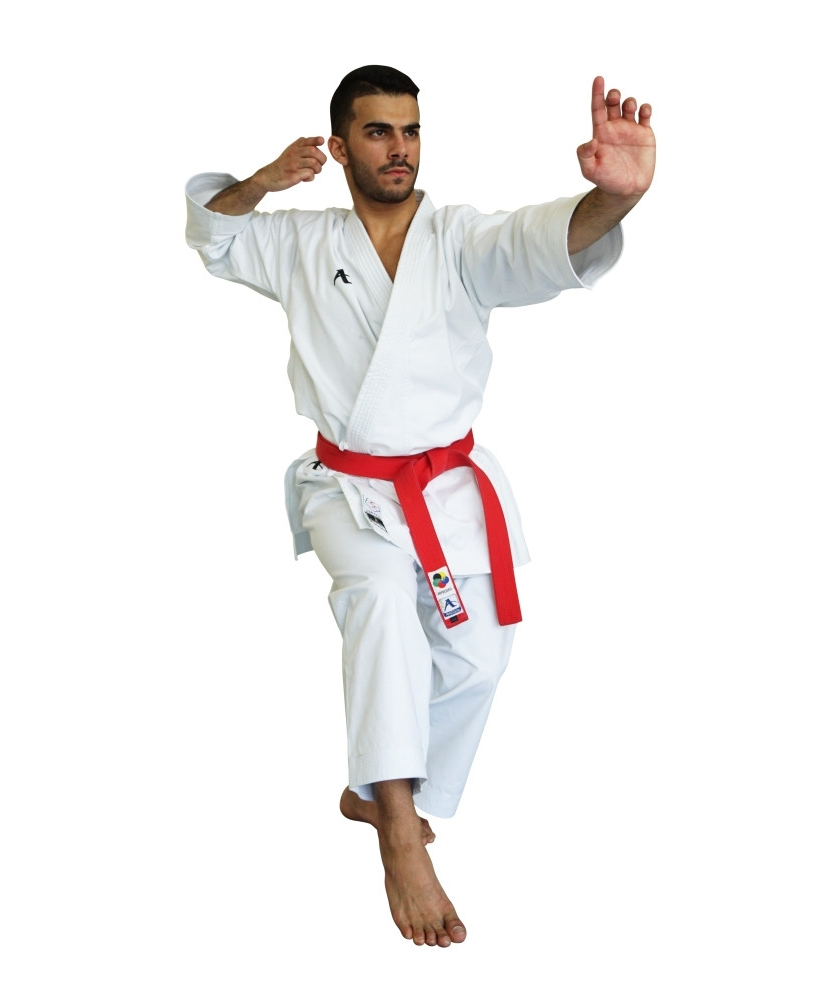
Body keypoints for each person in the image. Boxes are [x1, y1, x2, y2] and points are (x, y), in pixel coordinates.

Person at [184, 65, 655, 947]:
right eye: (377, 132)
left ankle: (375, 788)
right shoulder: (298, 240)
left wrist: (617, 197)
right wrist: (263, 181)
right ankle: (400, 831)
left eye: (409, 131)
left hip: (445, 487)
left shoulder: (461, 239)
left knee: (478, 662)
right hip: (349, 486)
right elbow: (211, 232)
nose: (399, 149)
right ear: (339, 147)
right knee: (379, 606)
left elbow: (546, 240)